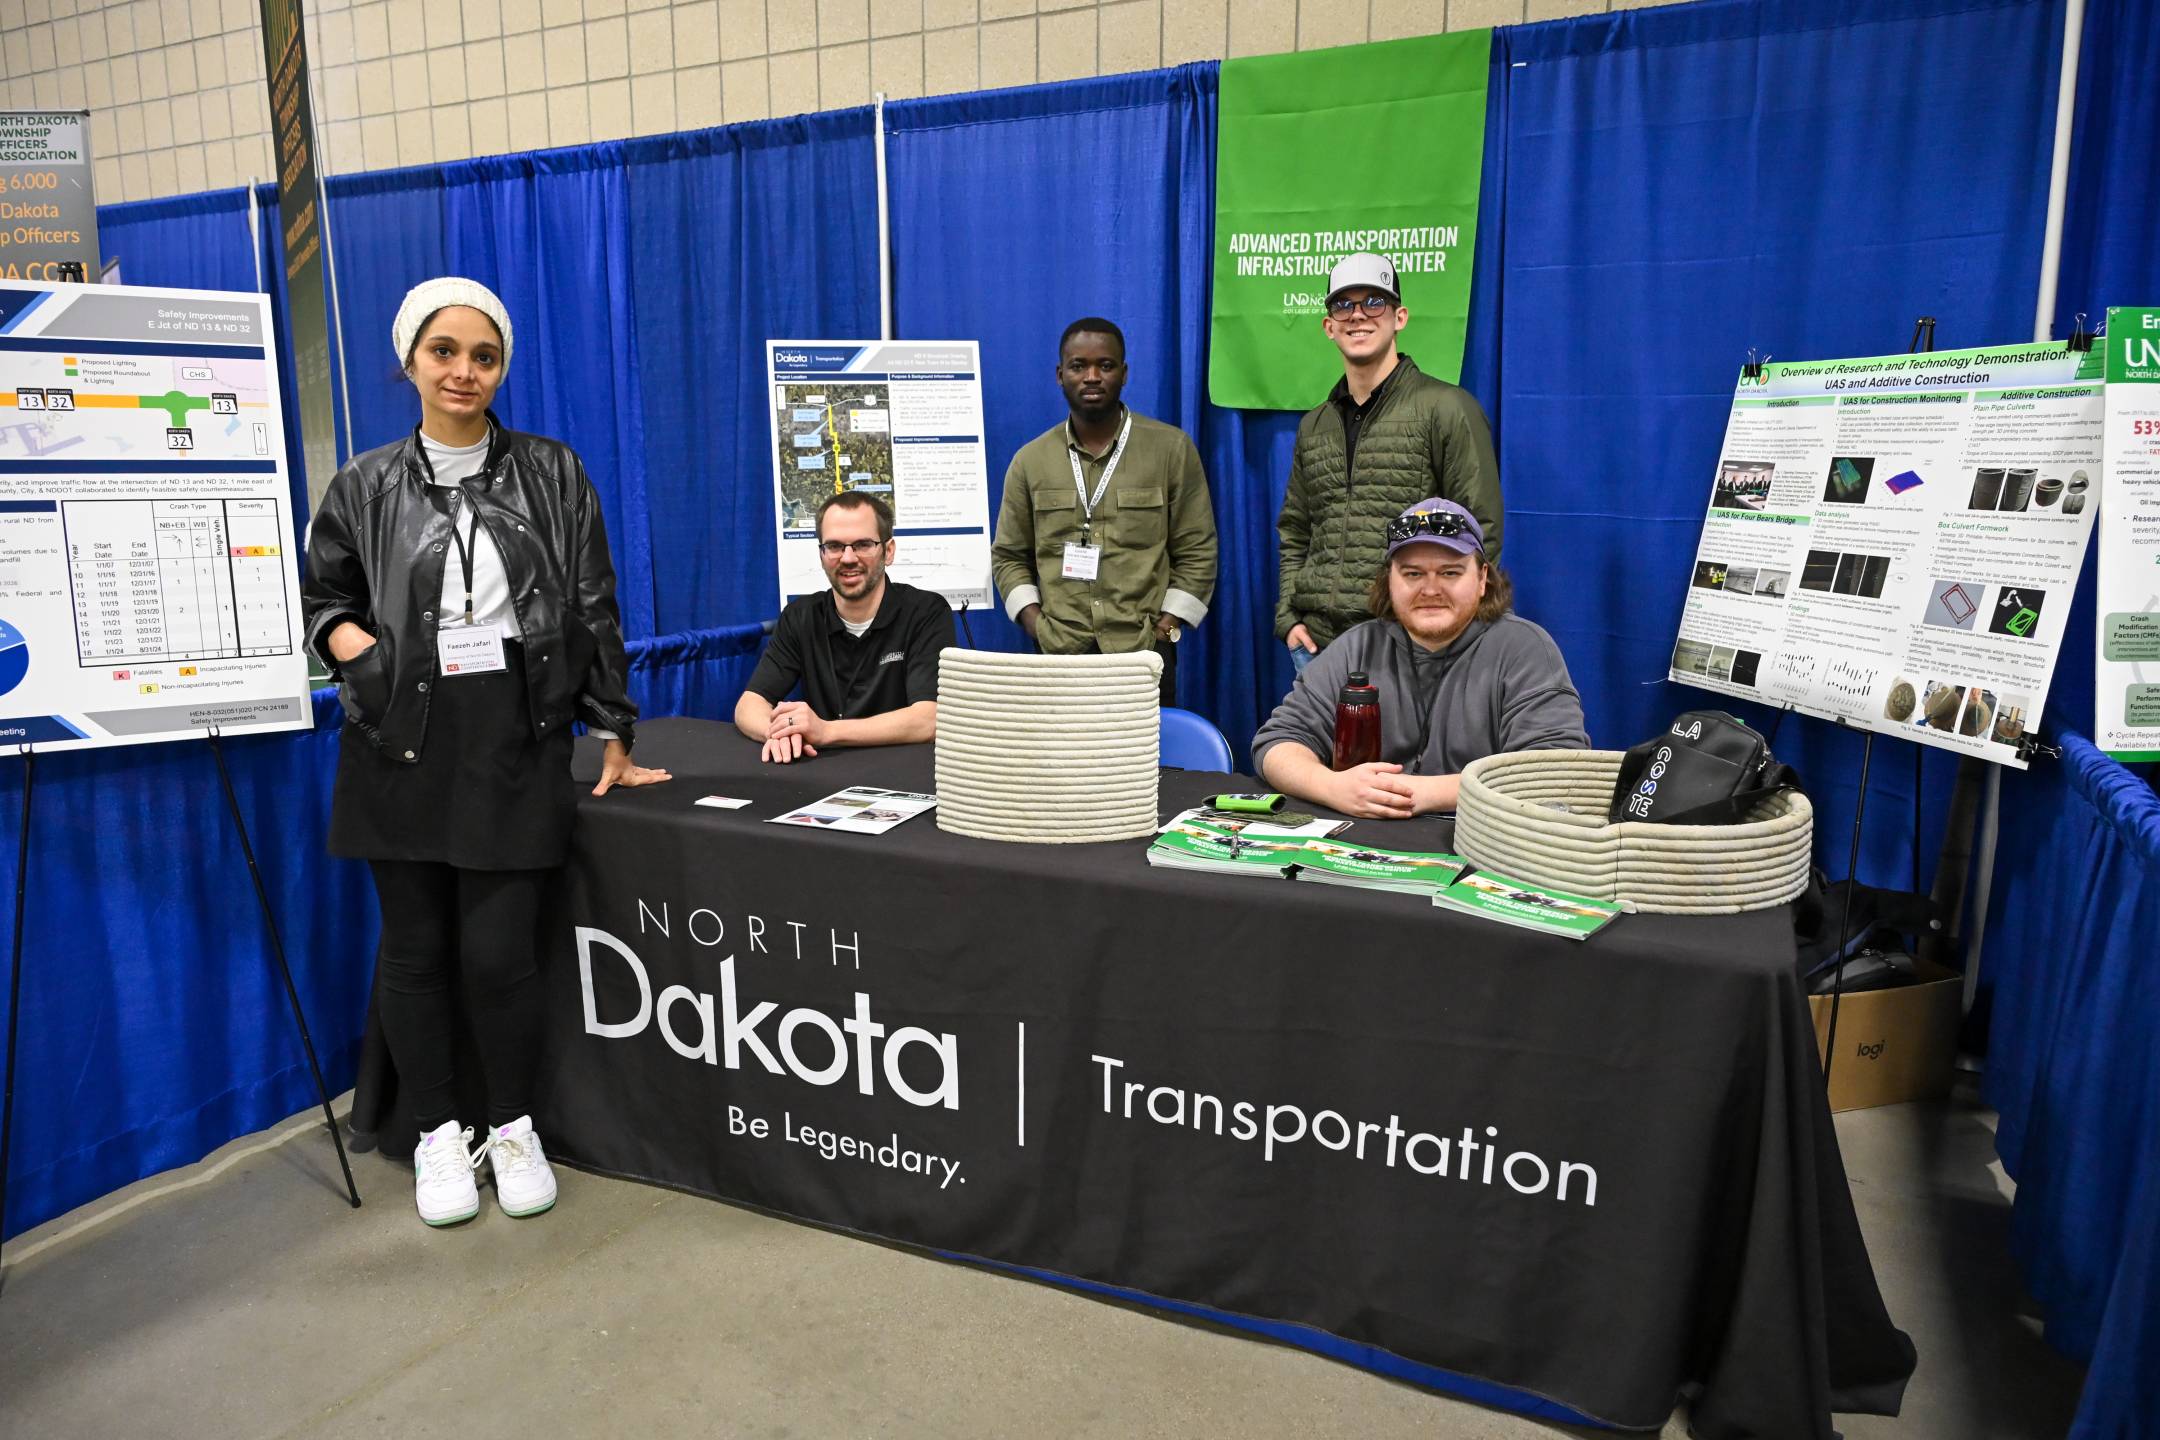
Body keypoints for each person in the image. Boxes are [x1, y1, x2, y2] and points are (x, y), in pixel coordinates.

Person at [303, 277, 671, 1228]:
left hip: (513, 733)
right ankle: (436, 1135)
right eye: (445, 352)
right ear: (410, 363)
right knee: (417, 951)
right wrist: (367, 659)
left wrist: (613, 727)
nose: (464, 371)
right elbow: (323, 602)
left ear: (502, 365)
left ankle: (511, 1128)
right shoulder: (365, 482)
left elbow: (593, 603)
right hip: (399, 736)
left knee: (502, 954)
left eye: (484, 355)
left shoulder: (553, 471)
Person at [1253, 499, 1587, 818]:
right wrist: (1331, 786)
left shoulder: (1524, 649)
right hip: (1367, 843)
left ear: (1483, 579)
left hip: (1481, 842)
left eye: (1450, 573)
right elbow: (1277, 743)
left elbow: (1552, 773)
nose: (1430, 590)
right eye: (1413, 574)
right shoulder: (1356, 646)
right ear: (1390, 580)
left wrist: (1416, 793)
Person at [1276, 253, 1504, 676]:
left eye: (1373, 302)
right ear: (1328, 326)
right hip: (1316, 651)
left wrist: (1434, 628)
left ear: (1399, 317)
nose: (1357, 315)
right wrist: (1289, 618)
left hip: (1412, 648)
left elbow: (1481, 531)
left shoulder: (1448, 409)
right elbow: (1295, 530)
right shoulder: (1315, 425)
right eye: (1343, 305)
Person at [991, 317, 1217, 705]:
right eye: (1079, 366)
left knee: (1143, 765)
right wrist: (1035, 624)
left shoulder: (1171, 450)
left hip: (1144, 655)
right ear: (1060, 375)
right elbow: (1008, 556)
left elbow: (1198, 549)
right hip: (1058, 655)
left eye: (1106, 365)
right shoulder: (1030, 461)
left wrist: (1165, 627)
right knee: (1062, 764)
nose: (1092, 376)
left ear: (1124, 373)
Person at [735, 490, 955, 763]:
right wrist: (781, 731)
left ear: (888, 551)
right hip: (823, 772)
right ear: (821, 554)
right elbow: (748, 705)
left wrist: (825, 731)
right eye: (835, 546)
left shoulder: (926, 612)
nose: (848, 558)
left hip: (903, 772)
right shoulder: (800, 617)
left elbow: (928, 719)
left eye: (863, 544)